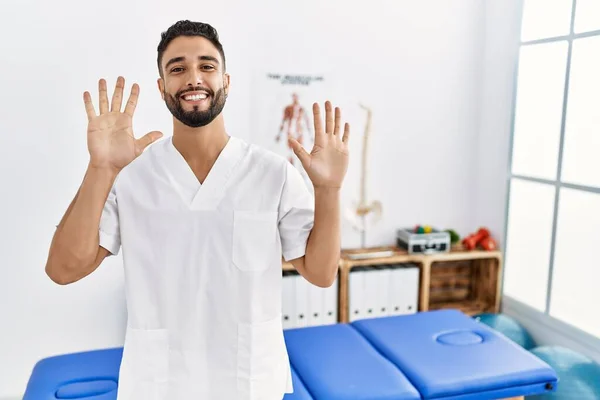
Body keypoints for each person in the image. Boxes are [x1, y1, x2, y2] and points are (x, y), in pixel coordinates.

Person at [44, 20, 350, 400]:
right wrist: (101, 168)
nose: (193, 78)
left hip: (248, 382)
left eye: (207, 66)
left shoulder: (272, 173)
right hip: (158, 385)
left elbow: (321, 274)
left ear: (226, 80)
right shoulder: (129, 176)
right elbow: (62, 270)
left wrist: (329, 190)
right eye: (177, 68)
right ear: (161, 87)